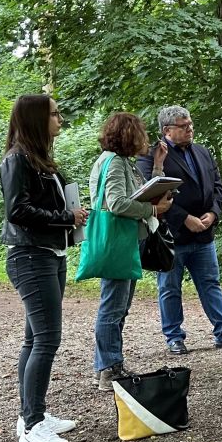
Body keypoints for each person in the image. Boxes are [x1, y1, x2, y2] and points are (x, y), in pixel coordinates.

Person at [0, 94, 89, 442]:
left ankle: (31, 414)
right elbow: (17, 210)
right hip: (30, 256)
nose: (60, 119)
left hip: (52, 253)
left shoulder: (40, 159)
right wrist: (66, 218)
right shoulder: (16, 159)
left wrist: (72, 216)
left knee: (34, 339)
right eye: (54, 114)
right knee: (47, 339)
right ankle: (32, 428)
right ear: (37, 119)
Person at [136, 106, 222, 354]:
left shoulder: (202, 151)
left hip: (204, 233)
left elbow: (218, 186)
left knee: (210, 283)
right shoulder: (152, 156)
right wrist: (184, 218)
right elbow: (152, 193)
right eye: (183, 125)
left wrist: (213, 212)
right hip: (171, 235)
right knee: (169, 287)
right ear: (167, 130)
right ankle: (174, 337)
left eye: (190, 124)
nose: (190, 129)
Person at [90, 113, 173, 391]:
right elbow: (116, 203)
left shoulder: (122, 162)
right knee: (113, 307)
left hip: (126, 241)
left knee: (118, 306)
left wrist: (159, 168)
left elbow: (141, 193)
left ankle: (110, 364)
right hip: (119, 242)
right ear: (129, 135)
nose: (146, 139)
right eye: (141, 133)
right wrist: (153, 210)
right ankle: (108, 369)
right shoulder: (114, 163)